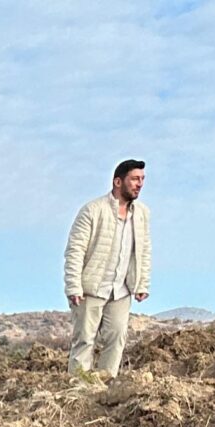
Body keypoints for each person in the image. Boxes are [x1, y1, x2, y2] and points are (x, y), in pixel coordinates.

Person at [64, 160, 152, 377]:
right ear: (117, 181)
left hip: (121, 290)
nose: (139, 184)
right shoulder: (92, 211)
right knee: (84, 340)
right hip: (90, 289)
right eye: (134, 179)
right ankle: (79, 388)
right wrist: (73, 286)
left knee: (117, 338)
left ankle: (105, 386)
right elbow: (75, 250)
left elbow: (144, 250)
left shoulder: (142, 213)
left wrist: (142, 282)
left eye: (142, 179)